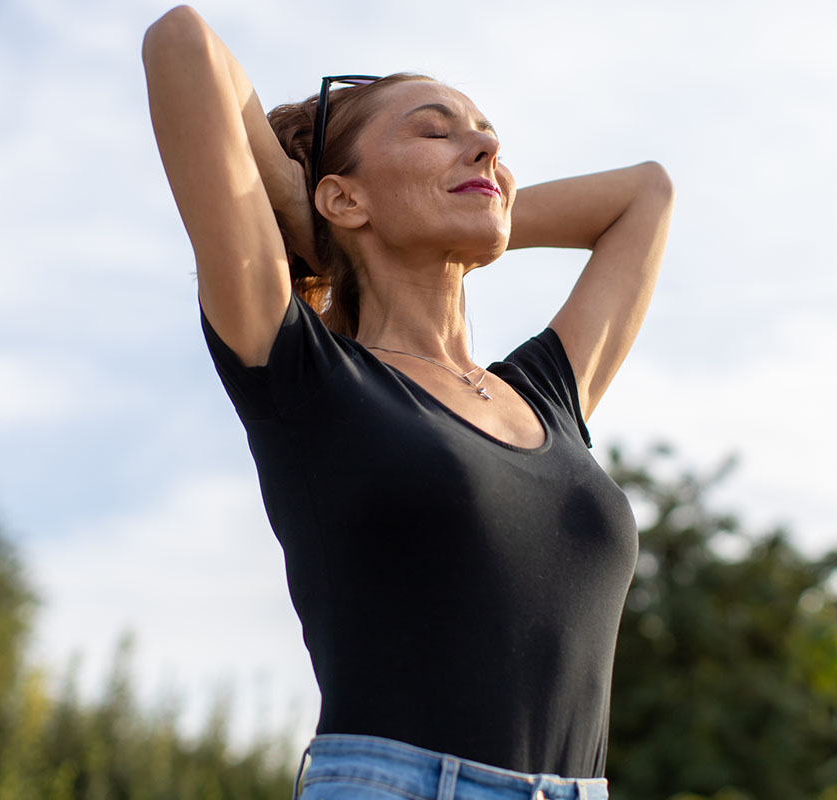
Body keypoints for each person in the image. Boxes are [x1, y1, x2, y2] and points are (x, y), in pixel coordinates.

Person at [142, 6, 674, 800]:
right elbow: (182, 42)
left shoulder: (547, 396)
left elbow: (646, 195)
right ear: (342, 195)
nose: (486, 147)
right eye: (436, 133)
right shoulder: (305, 374)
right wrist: (302, 204)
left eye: (487, 135)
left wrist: (464, 208)